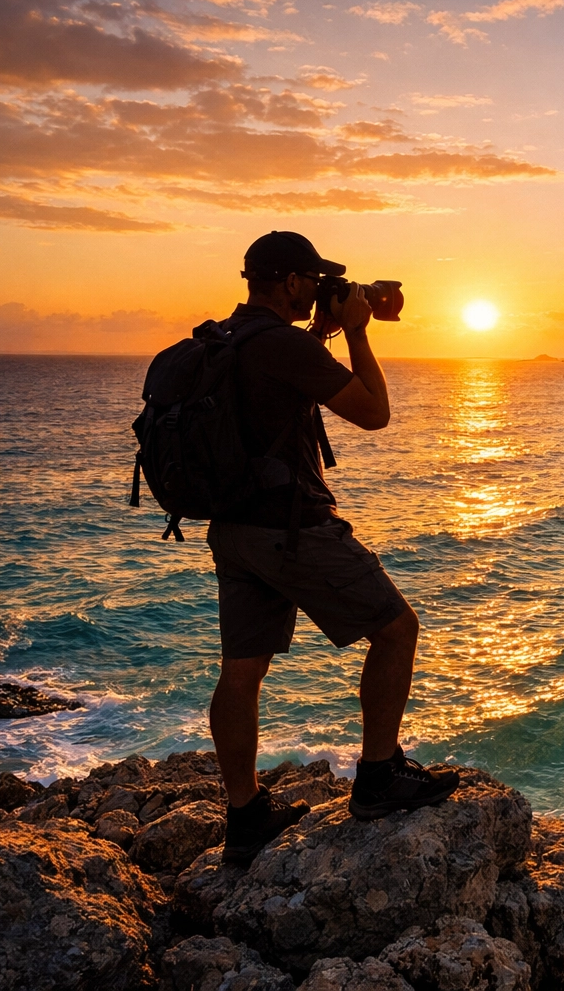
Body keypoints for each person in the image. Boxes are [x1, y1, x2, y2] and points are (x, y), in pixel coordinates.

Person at [208, 231, 459, 864]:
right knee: (397, 629)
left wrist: (325, 328)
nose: (319, 290)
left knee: (241, 672)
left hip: (233, 529)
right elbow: (374, 412)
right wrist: (356, 332)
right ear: (292, 282)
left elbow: (274, 388)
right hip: (289, 528)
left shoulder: (226, 338)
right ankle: (377, 778)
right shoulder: (285, 347)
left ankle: (245, 818)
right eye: (313, 281)